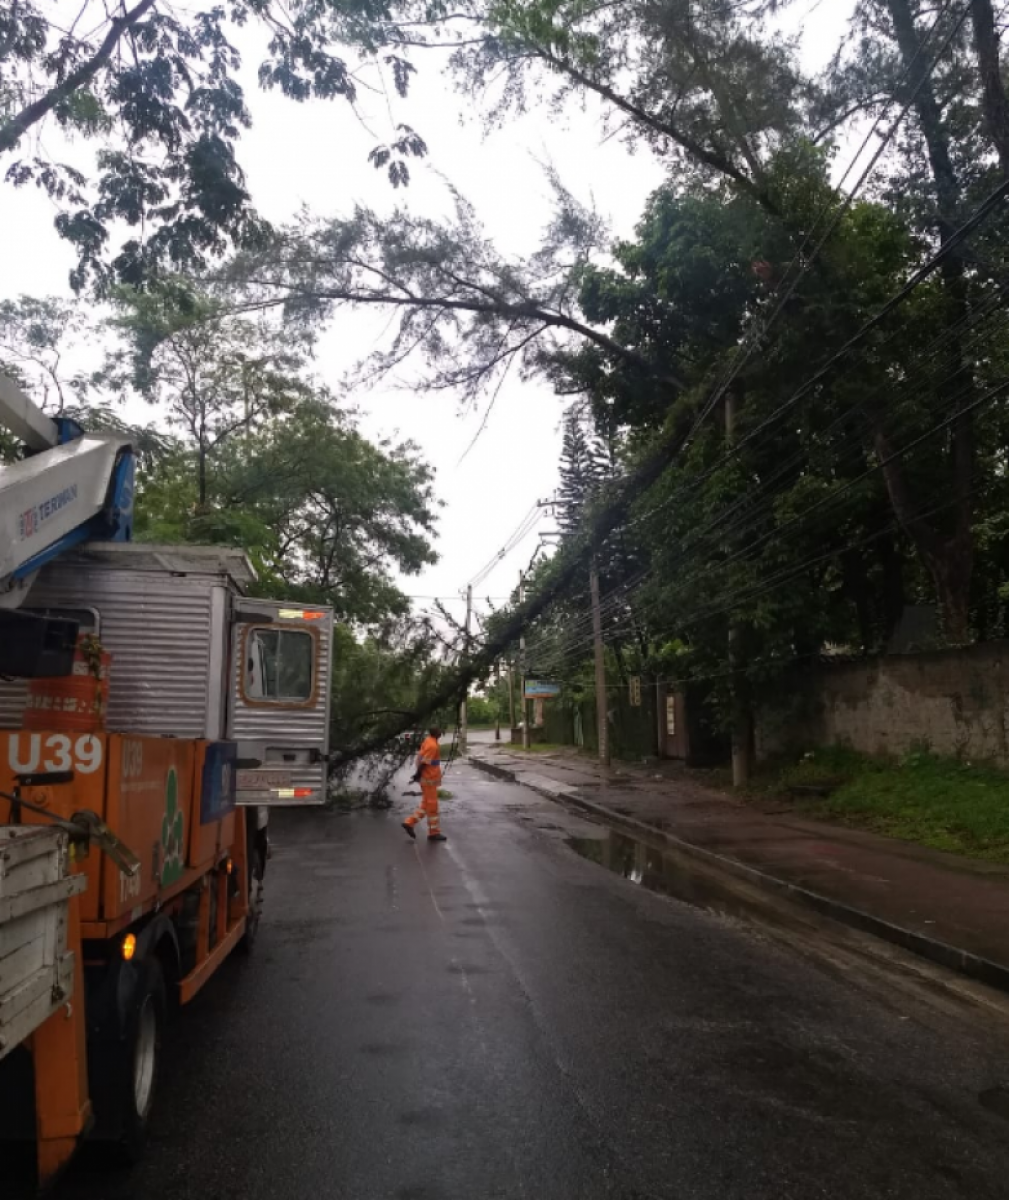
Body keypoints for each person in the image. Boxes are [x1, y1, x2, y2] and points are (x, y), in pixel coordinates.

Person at [402, 725, 447, 842]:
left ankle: (409, 823)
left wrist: (418, 774)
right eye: (439, 730)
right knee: (432, 807)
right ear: (436, 733)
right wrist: (417, 774)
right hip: (429, 780)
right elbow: (424, 762)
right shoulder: (432, 745)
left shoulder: (429, 741)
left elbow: (422, 756)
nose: (440, 732)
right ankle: (433, 833)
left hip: (428, 780)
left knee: (425, 805)